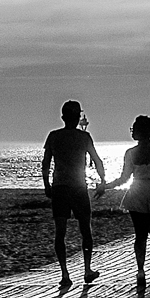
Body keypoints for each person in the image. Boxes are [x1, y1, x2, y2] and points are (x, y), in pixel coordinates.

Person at [95, 115, 150, 298]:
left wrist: (106, 186)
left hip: (138, 192)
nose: (132, 131)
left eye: (134, 128)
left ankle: (141, 271)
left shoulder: (130, 152)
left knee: (141, 235)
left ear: (140, 131)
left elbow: (124, 178)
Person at [42, 100, 106, 288]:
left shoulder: (53, 136)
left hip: (60, 186)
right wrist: (102, 181)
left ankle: (64, 273)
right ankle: (87, 269)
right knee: (85, 229)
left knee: (60, 231)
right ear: (78, 118)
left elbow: (46, 164)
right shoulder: (84, 137)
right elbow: (97, 160)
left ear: (63, 117)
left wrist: (46, 185)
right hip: (78, 187)